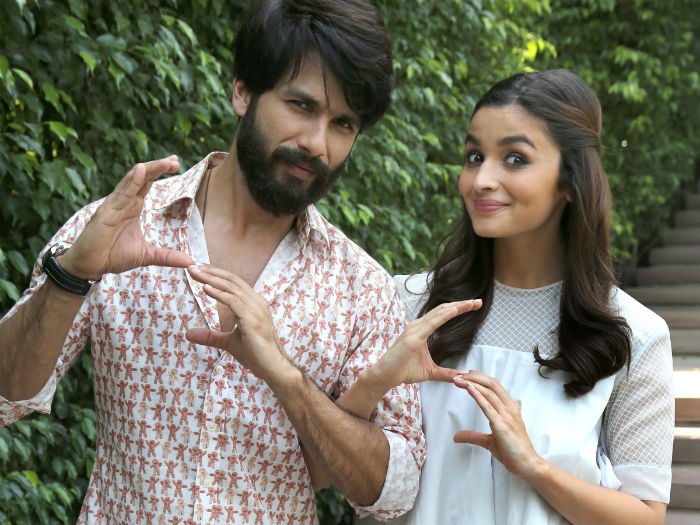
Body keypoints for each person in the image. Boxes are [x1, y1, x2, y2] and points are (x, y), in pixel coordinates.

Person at [0, 1, 425, 523]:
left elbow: (393, 493)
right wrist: (71, 276)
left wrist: (287, 379)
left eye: (342, 123)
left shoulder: (362, 289)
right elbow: (6, 395)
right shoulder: (121, 227)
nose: (317, 143)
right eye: (301, 105)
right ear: (242, 90)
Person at [340, 69, 674, 525]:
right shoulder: (410, 303)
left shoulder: (634, 333)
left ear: (569, 181)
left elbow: (646, 516)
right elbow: (335, 462)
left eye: (515, 159)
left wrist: (534, 467)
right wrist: (373, 383)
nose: (480, 180)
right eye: (474, 156)